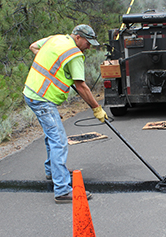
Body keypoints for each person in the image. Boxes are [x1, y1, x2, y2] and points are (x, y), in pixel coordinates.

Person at [23, 24, 108, 203]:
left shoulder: (56, 39)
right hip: (42, 99)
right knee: (59, 140)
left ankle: (52, 171)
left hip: (31, 93)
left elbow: (34, 47)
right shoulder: (74, 54)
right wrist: (96, 108)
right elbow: (81, 86)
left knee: (51, 135)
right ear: (77, 37)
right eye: (88, 42)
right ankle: (62, 190)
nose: (89, 47)